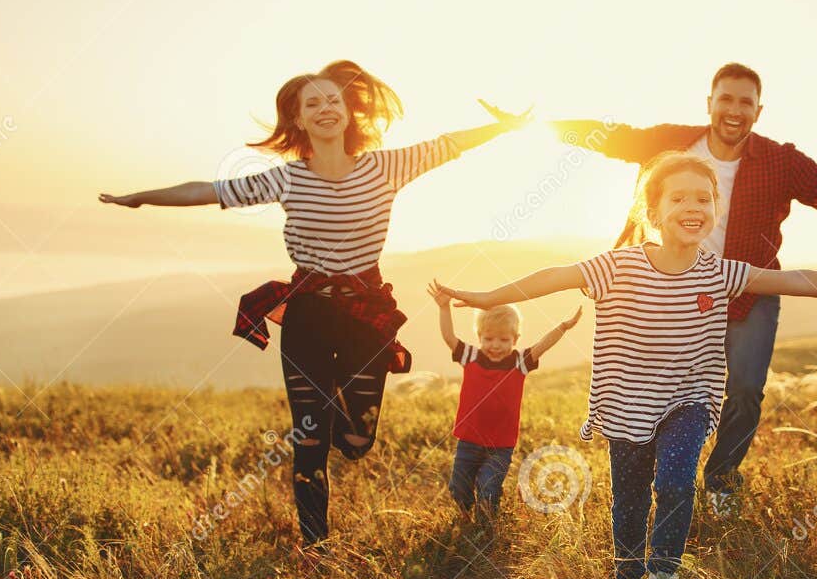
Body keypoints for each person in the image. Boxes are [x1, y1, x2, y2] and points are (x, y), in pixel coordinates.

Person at [427, 151, 817, 579]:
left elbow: (798, 279)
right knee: (631, 499)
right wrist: (485, 296)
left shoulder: (721, 273)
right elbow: (554, 276)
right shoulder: (617, 266)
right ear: (653, 211)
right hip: (626, 406)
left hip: (689, 401)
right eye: (679, 197)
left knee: (677, 483)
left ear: (714, 213)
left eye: (703, 198)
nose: (692, 206)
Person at [99, 59, 530, 551]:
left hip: (365, 317)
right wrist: (140, 198)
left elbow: (449, 145)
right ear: (299, 120)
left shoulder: (385, 167)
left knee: (356, 442)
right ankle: (315, 546)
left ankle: (330, 426)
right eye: (312, 104)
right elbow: (207, 190)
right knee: (308, 438)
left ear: (348, 113)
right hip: (306, 314)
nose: (325, 108)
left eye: (333, 100)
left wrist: (506, 125)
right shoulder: (286, 179)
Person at [547, 63, 817, 517]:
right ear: (709, 103)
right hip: (670, 290)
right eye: (725, 99)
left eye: (745, 102)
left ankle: (722, 479)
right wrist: (532, 124)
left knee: (745, 389)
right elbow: (609, 137)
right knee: (658, 387)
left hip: (750, 288)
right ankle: (655, 477)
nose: (734, 110)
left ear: (758, 111)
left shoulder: (780, 161)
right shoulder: (672, 142)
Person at [430, 291, 580, 517]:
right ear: (479, 336)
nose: (496, 345)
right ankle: (464, 518)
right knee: (458, 488)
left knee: (488, 487)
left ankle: (486, 523)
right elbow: (449, 337)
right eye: (488, 339)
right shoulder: (470, 355)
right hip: (468, 442)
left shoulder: (519, 362)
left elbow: (542, 345)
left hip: (501, 446)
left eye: (503, 340)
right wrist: (444, 308)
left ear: (515, 339)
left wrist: (563, 327)